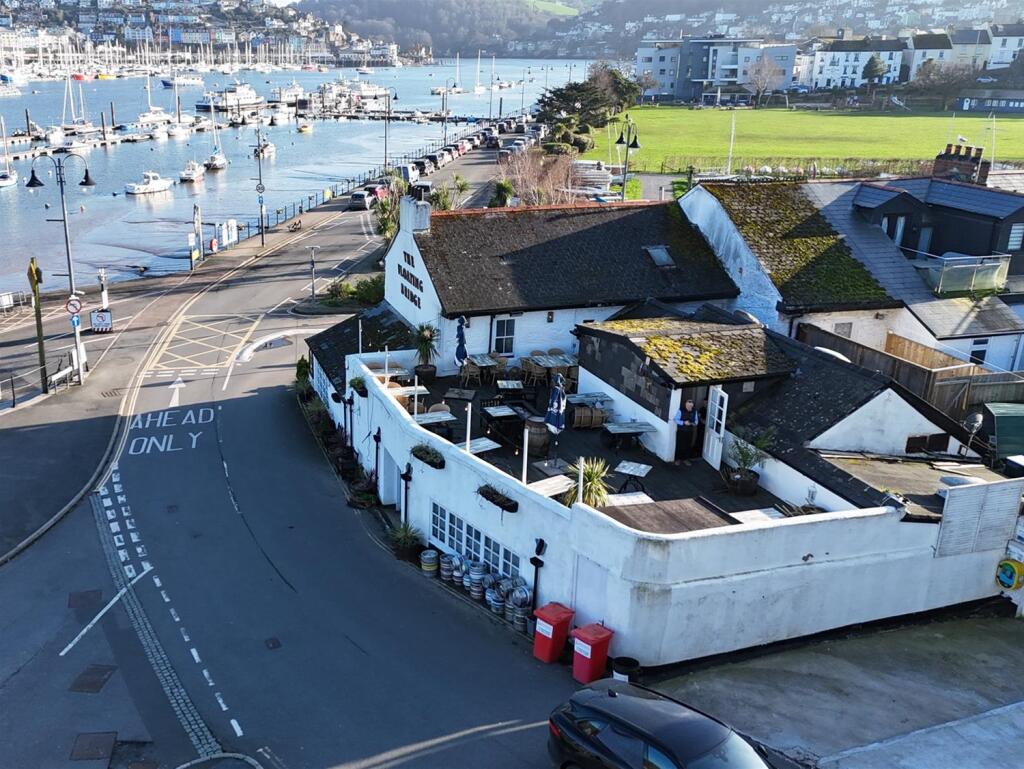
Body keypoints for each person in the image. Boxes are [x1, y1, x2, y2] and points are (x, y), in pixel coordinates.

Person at [674, 399, 700, 465]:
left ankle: (685, 459)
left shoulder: (694, 411)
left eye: (691, 406)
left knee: (688, 445)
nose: (690, 408)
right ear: (686, 404)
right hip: (681, 431)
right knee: (679, 445)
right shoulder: (681, 410)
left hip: (689, 431)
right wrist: (683, 422)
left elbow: (696, 421)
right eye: (689, 406)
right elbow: (675, 419)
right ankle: (678, 459)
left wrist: (694, 423)